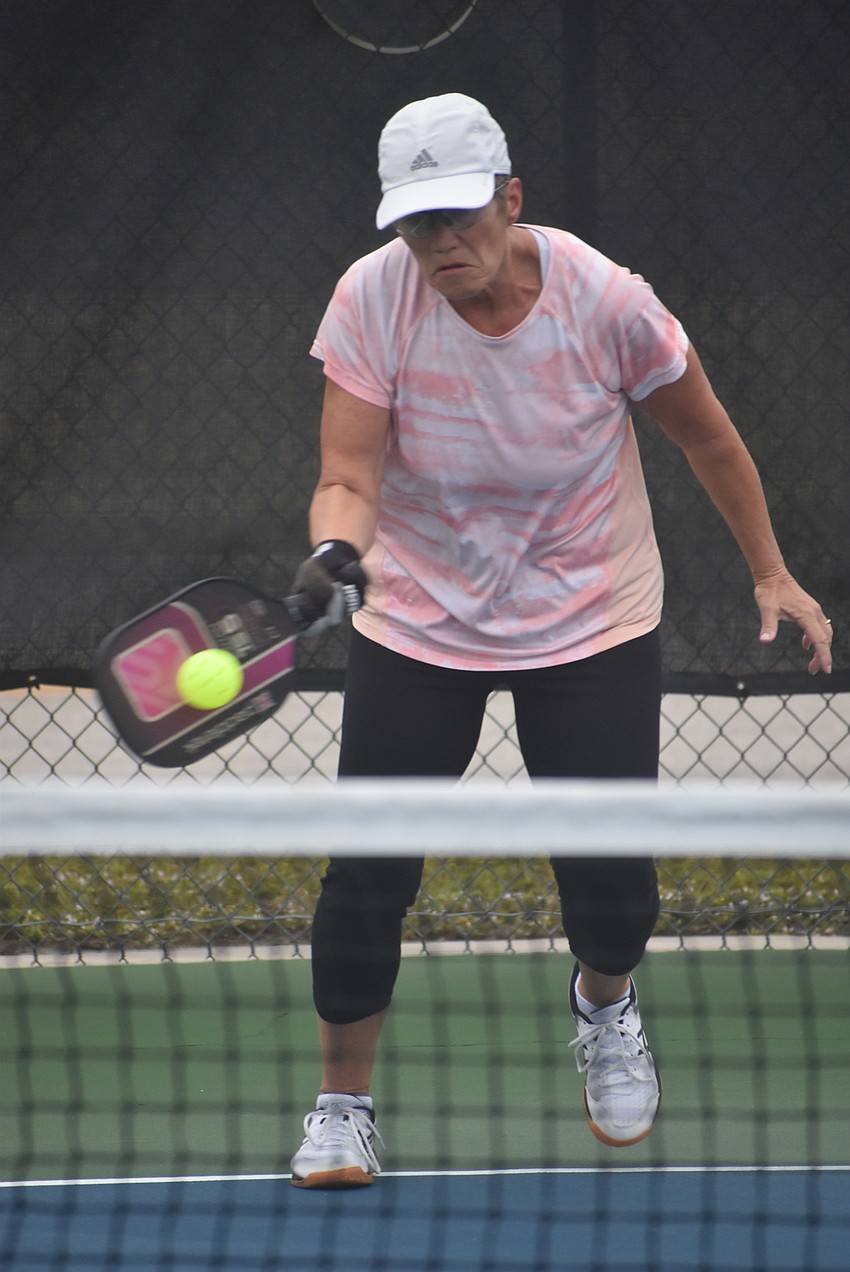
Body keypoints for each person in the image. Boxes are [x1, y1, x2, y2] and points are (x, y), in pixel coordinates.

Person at [285, 93, 834, 1189]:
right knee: (363, 879)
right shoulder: (371, 299)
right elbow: (347, 475)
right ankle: (341, 1107)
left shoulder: (605, 301)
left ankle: (603, 1002)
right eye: (414, 224)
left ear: (510, 198)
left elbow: (710, 439)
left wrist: (770, 569)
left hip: (591, 613)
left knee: (612, 884)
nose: (438, 244)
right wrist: (337, 552)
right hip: (420, 616)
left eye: (457, 217)